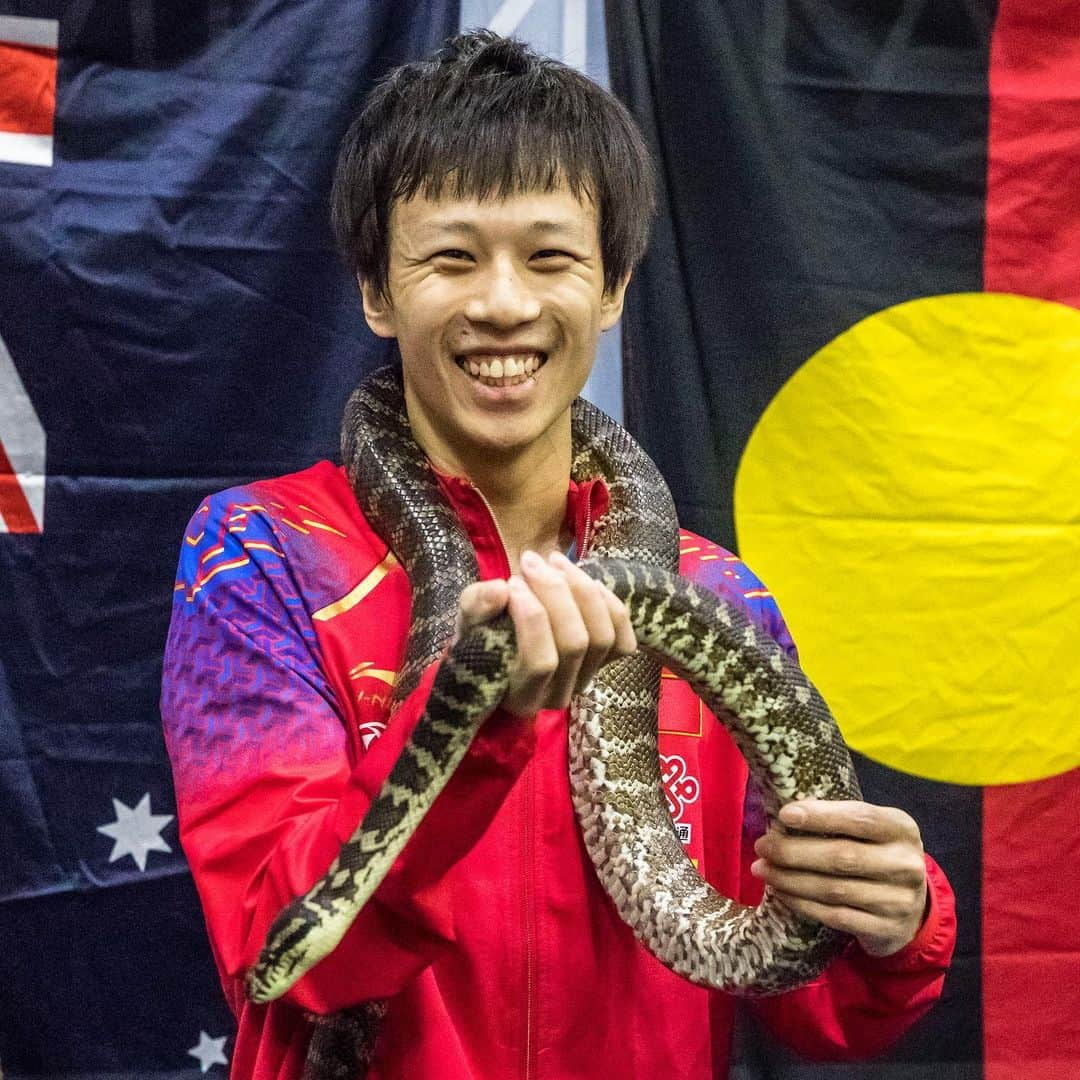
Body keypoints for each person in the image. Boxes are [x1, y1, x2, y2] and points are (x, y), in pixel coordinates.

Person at [161, 29, 956, 1080]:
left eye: (550, 257)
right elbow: (282, 950)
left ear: (614, 288)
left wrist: (895, 923)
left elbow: (810, 998)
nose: (504, 303)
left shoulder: (715, 595)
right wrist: (475, 723)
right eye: (451, 256)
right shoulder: (259, 558)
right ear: (376, 291)